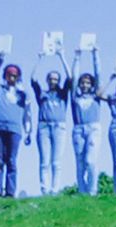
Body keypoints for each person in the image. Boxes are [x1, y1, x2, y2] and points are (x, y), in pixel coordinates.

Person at [0, 58, 35, 198]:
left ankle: (10, 192)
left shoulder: (23, 94)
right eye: (9, 74)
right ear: (5, 76)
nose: (11, 77)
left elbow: (28, 114)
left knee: (12, 161)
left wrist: (28, 131)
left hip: (14, 130)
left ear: (18, 77)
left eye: (14, 75)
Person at [30, 53, 71, 193]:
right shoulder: (42, 94)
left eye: (56, 79)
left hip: (59, 127)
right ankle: (44, 189)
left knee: (56, 162)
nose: (53, 81)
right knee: (44, 161)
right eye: (51, 79)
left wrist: (61, 56)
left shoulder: (63, 94)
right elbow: (33, 79)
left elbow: (70, 77)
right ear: (47, 80)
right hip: (44, 127)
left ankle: (55, 189)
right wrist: (40, 58)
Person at [69, 71, 104, 195]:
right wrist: (77, 56)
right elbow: (73, 80)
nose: (85, 85)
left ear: (92, 85)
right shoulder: (75, 97)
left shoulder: (96, 96)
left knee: (90, 161)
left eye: (88, 83)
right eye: (83, 83)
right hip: (78, 129)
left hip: (93, 128)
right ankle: (82, 191)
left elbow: (98, 75)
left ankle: (92, 190)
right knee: (80, 162)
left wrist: (95, 53)